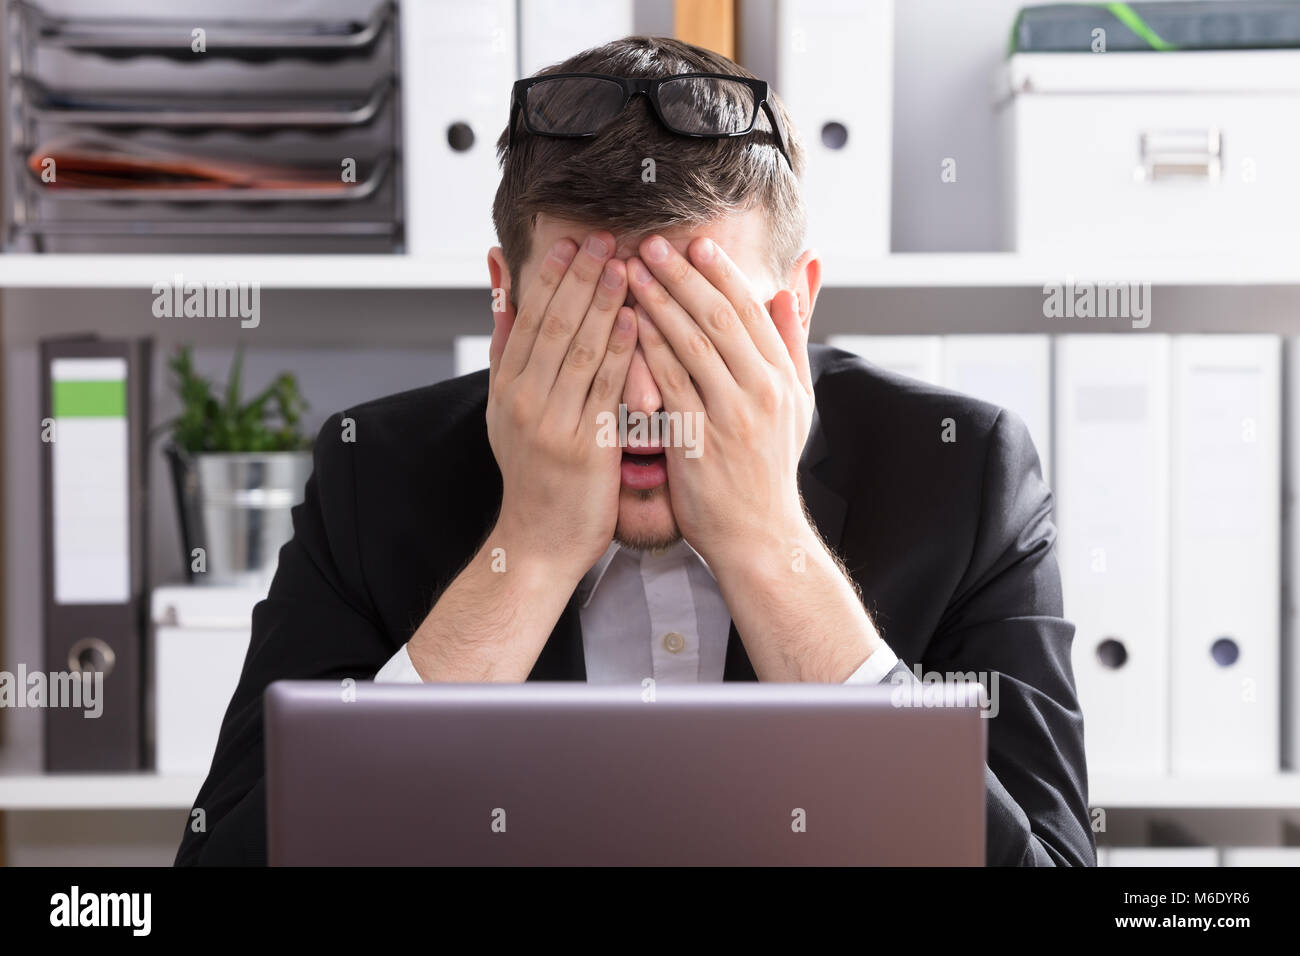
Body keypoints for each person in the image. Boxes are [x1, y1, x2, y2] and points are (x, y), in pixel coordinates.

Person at [176, 36, 1094, 867]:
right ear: (507, 309)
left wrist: (769, 545)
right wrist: (526, 555)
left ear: (796, 308)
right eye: (594, 332)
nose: (648, 402)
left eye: (697, 329)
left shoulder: (965, 476)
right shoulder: (371, 476)